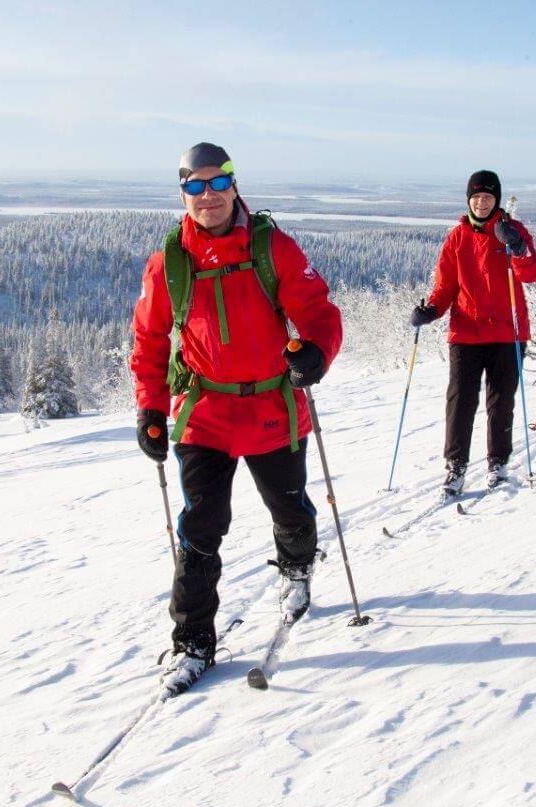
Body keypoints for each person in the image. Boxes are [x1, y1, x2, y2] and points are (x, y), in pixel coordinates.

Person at [130, 142, 343, 694]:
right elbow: (149, 340)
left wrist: (316, 351)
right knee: (201, 525)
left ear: (233, 184)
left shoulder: (273, 247)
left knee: (289, 507)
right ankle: (192, 643)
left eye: (217, 183)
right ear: (184, 192)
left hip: (274, 405)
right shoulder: (170, 263)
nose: (208, 196)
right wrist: (151, 408)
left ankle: (296, 571)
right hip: (207, 413)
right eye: (195, 186)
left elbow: (319, 311)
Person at [409, 170, 536, 497]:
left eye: (488, 198)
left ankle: (498, 463)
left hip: (507, 332)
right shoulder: (457, 237)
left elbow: (532, 273)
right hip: (466, 333)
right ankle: (455, 467)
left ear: (496, 200)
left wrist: (518, 247)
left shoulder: (512, 231)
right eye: (476, 197)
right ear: (469, 200)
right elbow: (446, 285)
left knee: (500, 400)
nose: (481, 203)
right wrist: (432, 310)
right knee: (460, 401)